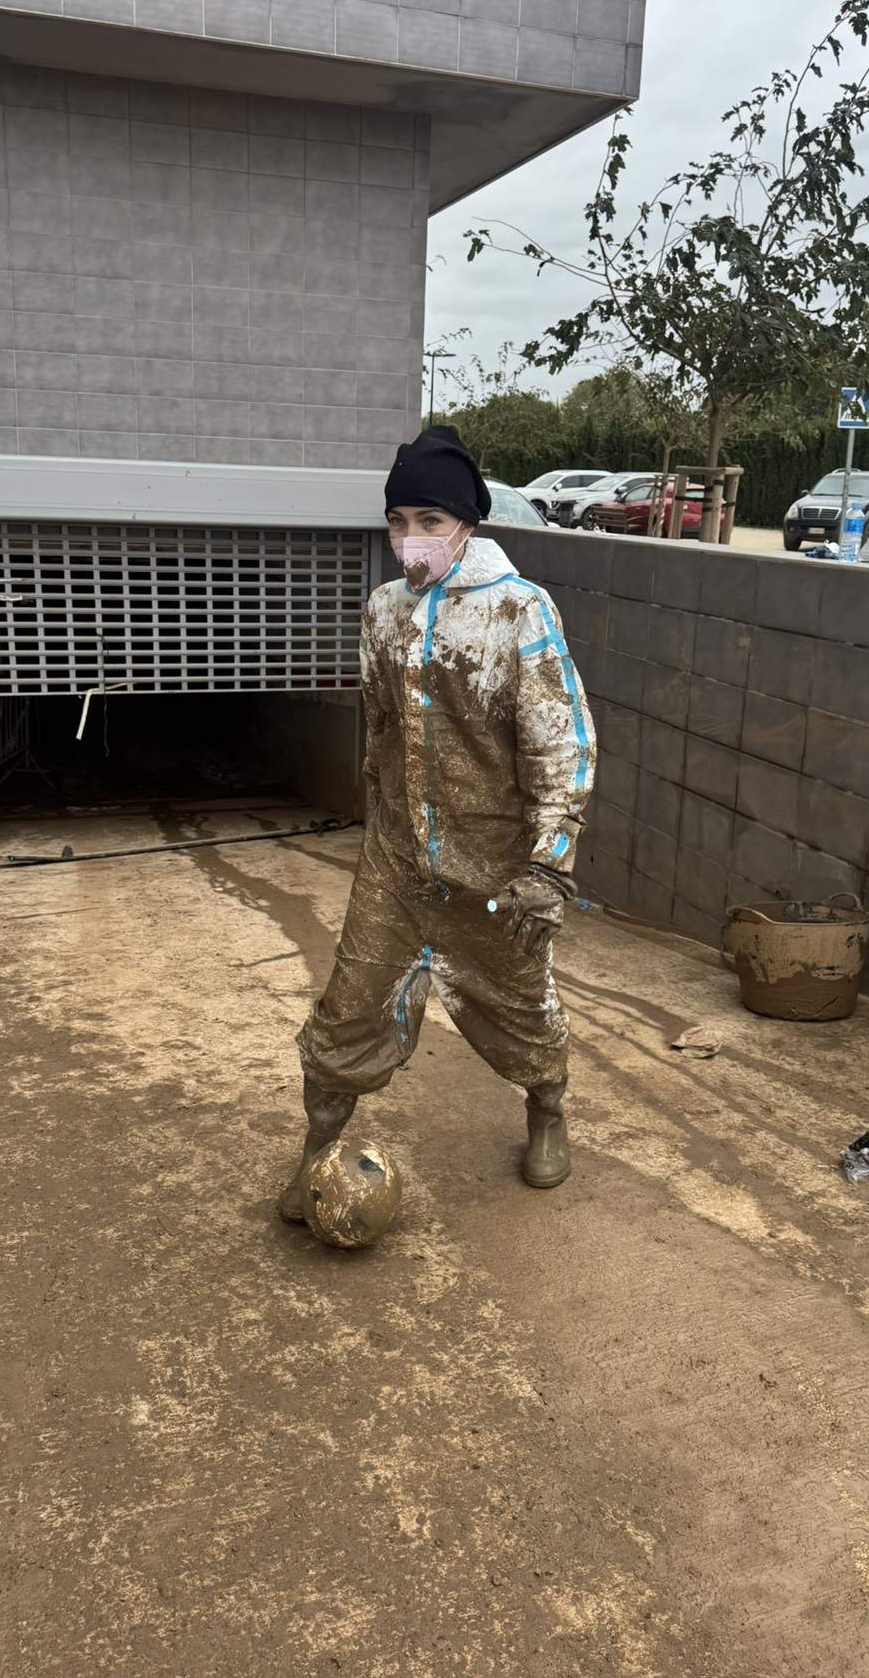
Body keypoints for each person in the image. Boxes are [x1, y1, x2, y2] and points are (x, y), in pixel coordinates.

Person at [279, 426, 597, 1220]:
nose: (410, 538)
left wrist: (549, 861)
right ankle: (317, 1154)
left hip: (492, 866)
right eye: (398, 520)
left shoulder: (520, 611)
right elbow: (380, 725)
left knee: (520, 1002)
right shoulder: (384, 611)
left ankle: (547, 1107)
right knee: (349, 1005)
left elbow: (565, 738)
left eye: (428, 518)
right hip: (397, 863)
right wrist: (376, 823)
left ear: (466, 522)